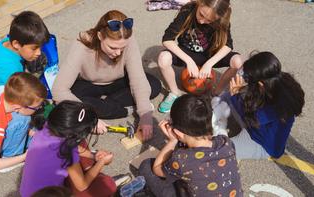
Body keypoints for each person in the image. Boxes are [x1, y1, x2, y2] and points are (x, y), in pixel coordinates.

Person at [52, 10, 162, 141]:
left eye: (122, 48)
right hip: (90, 84)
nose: (118, 52)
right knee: (71, 98)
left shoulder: (128, 40)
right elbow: (58, 90)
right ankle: (124, 109)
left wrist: (145, 115)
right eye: (112, 47)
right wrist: (89, 118)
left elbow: (138, 79)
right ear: (99, 36)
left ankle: (106, 106)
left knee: (153, 85)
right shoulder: (82, 45)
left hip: (119, 81)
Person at [139, 94, 242, 196]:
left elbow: (156, 169)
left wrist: (172, 141)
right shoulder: (226, 142)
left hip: (182, 168)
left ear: (178, 133)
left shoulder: (181, 160)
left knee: (146, 166)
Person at [157, 0, 243, 113]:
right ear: (200, 3)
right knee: (163, 58)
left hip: (209, 55)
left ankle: (216, 94)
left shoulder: (222, 19)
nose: (202, 21)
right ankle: (174, 93)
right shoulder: (188, 10)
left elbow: (228, 45)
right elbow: (167, 39)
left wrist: (209, 64)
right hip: (186, 52)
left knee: (238, 61)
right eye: (201, 14)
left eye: (209, 20)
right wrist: (189, 61)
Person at [20, 100, 117, 197]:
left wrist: (93, 155)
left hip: (28, 192)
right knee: (108, 185)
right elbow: (82, 186)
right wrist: (101, 162)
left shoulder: (48, 126)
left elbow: (74, 146)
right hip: (48, 194)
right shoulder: (65, 149)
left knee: (81, 145)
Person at [228, 51, 305, 159]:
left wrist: (235, 96)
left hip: (263, 145)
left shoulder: (278, 106)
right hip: (260, 129)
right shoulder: (280, 81)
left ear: (260, 84)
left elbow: (251, 119)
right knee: (229, 98)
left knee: (219, 151)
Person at [0, 10, 50, 93]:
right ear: (16, 44)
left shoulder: (8, 41)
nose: (38, 52)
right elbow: (21, 94)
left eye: (40, 47)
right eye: (34, 48)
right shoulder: (11, 68)